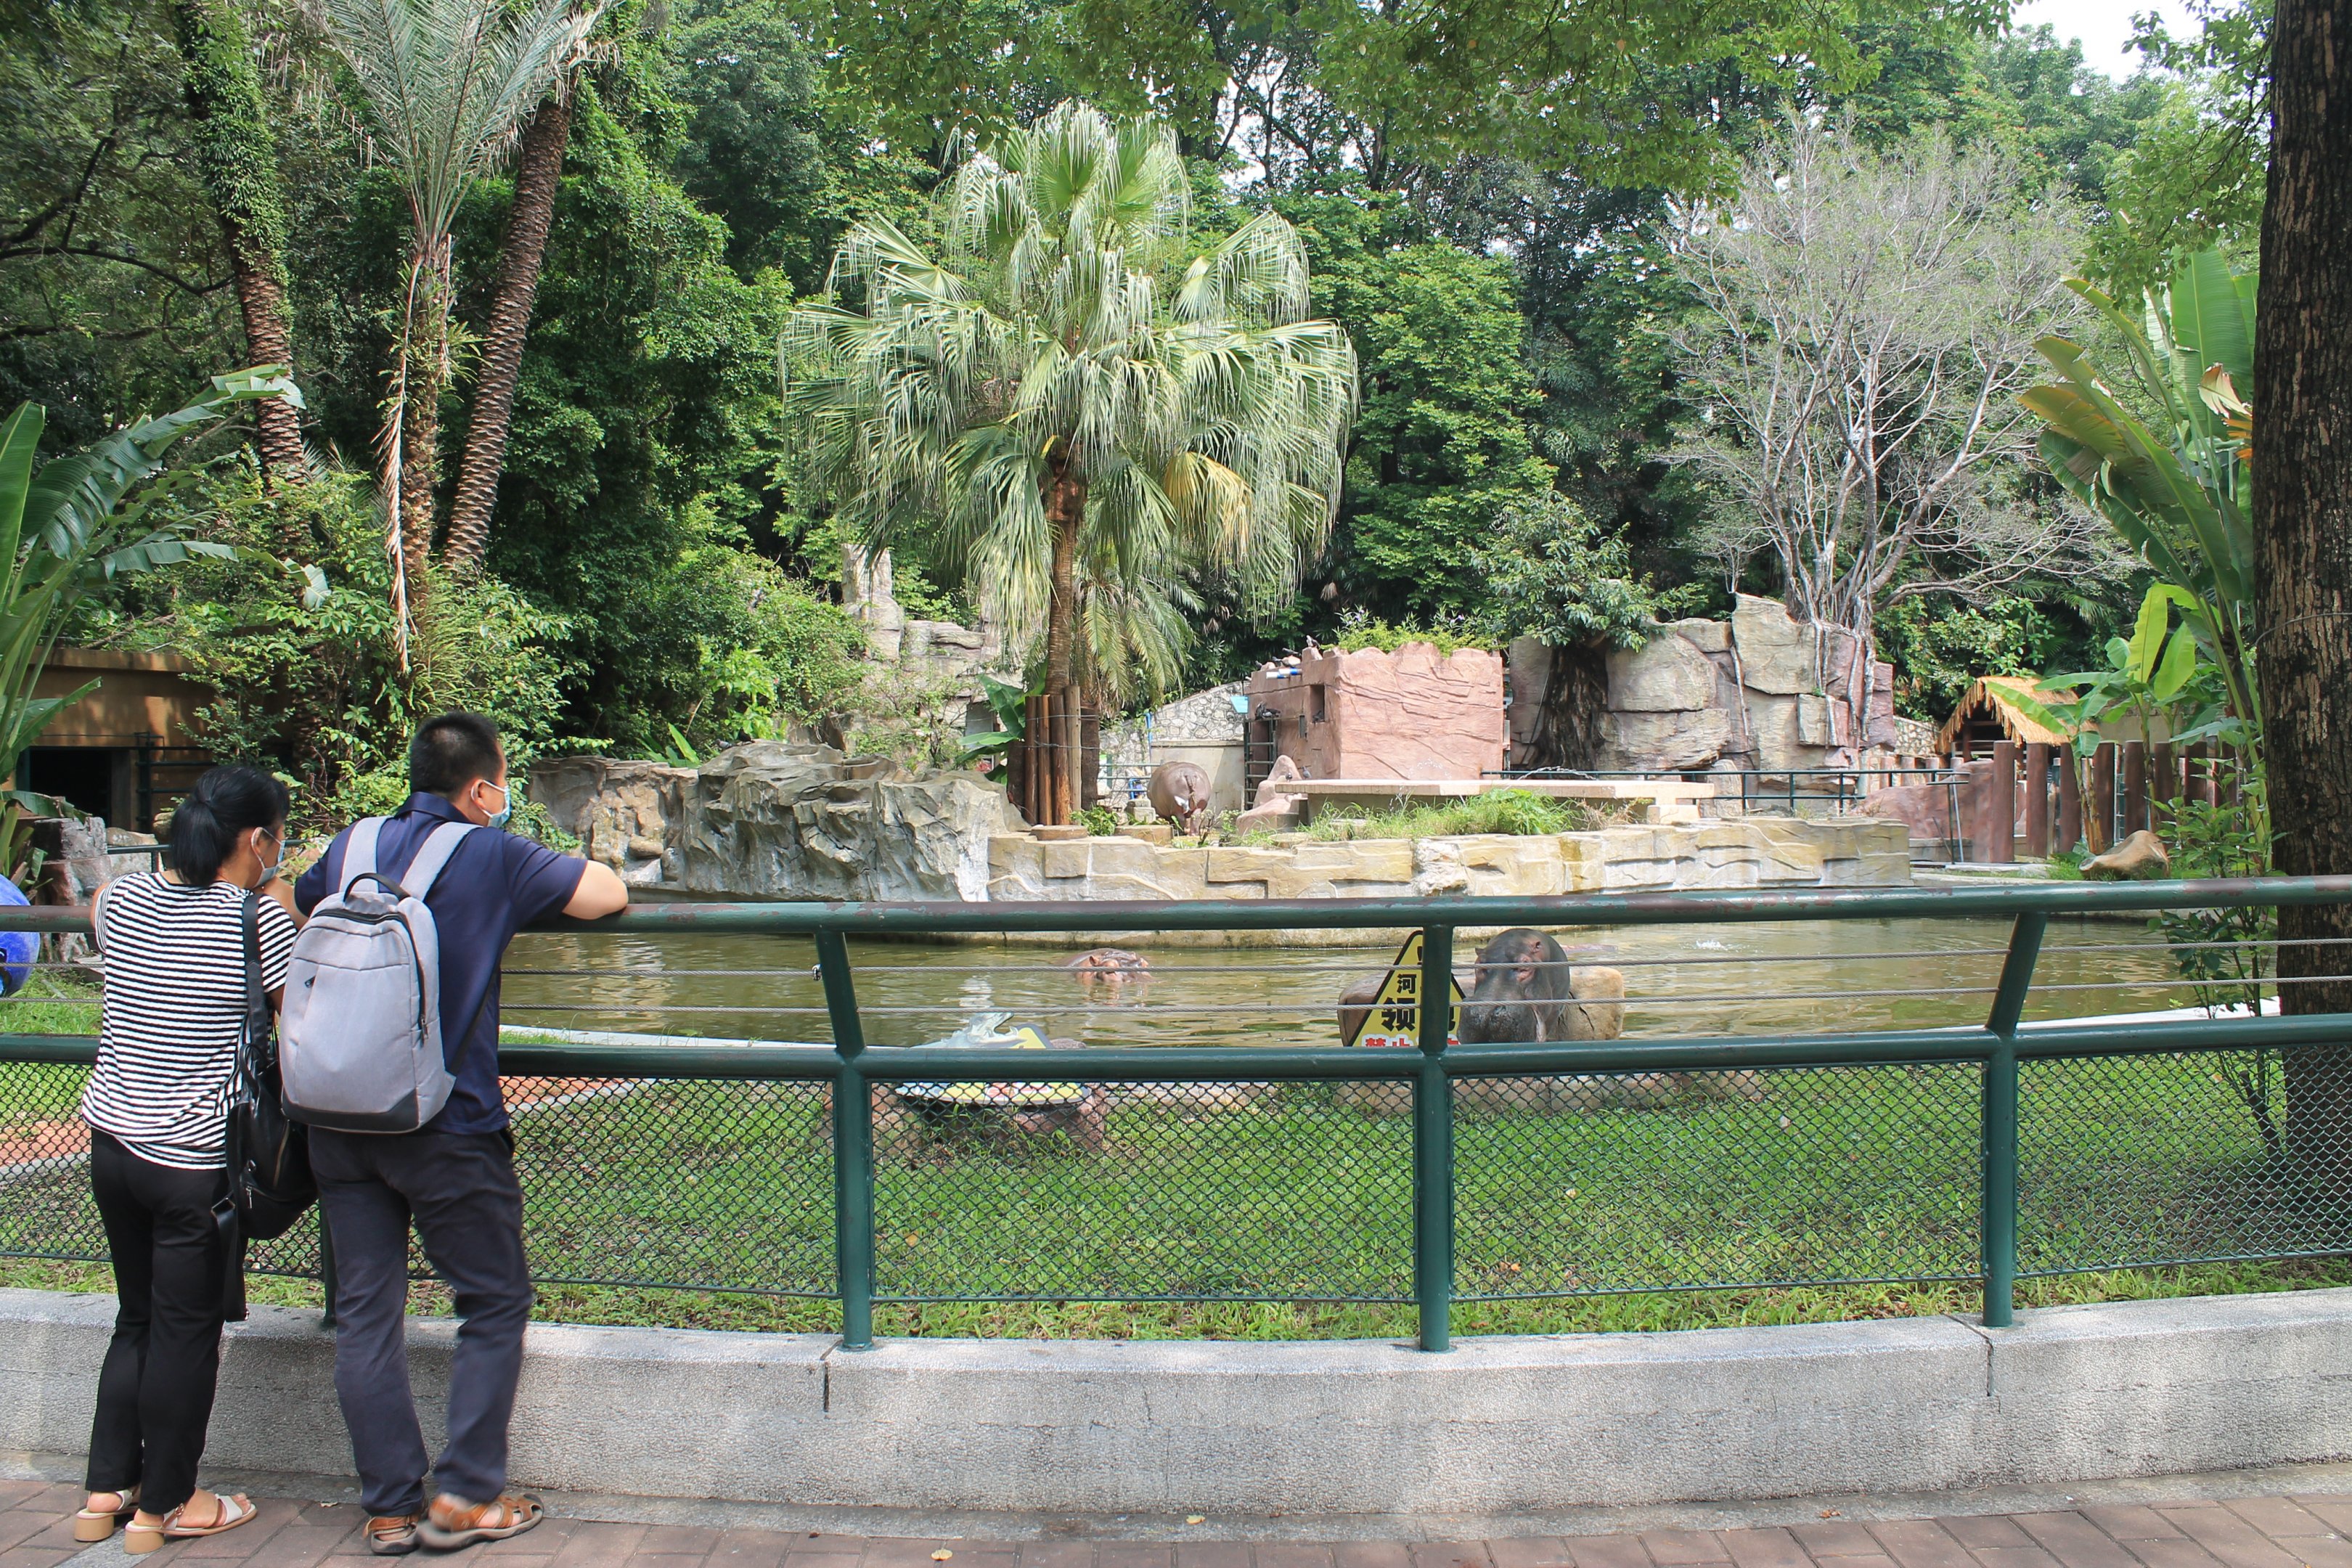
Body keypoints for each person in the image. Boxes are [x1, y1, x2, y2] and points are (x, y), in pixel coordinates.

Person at [294, 713, 627, 1556]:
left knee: (367, 1312)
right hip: (446, 1122)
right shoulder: (493, 853)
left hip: (337, 1119)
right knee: (493, 1300)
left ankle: (390, 1506)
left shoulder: (350, 845)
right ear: (483, 788)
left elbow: (291, 901)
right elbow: (605, 895)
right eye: (502, 783)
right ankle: (468, 1496)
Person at [73, 765, 298, 1553]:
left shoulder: (120, 900)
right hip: (191, 1164)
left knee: (134, 1318)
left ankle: (105, 1491)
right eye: (280, 838)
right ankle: (167, 1504)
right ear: (256, 840)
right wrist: (283, 906)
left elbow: (104, 917)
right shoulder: (256, 922)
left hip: (111, 1145)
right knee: (184, 1331)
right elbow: (292, 1020)